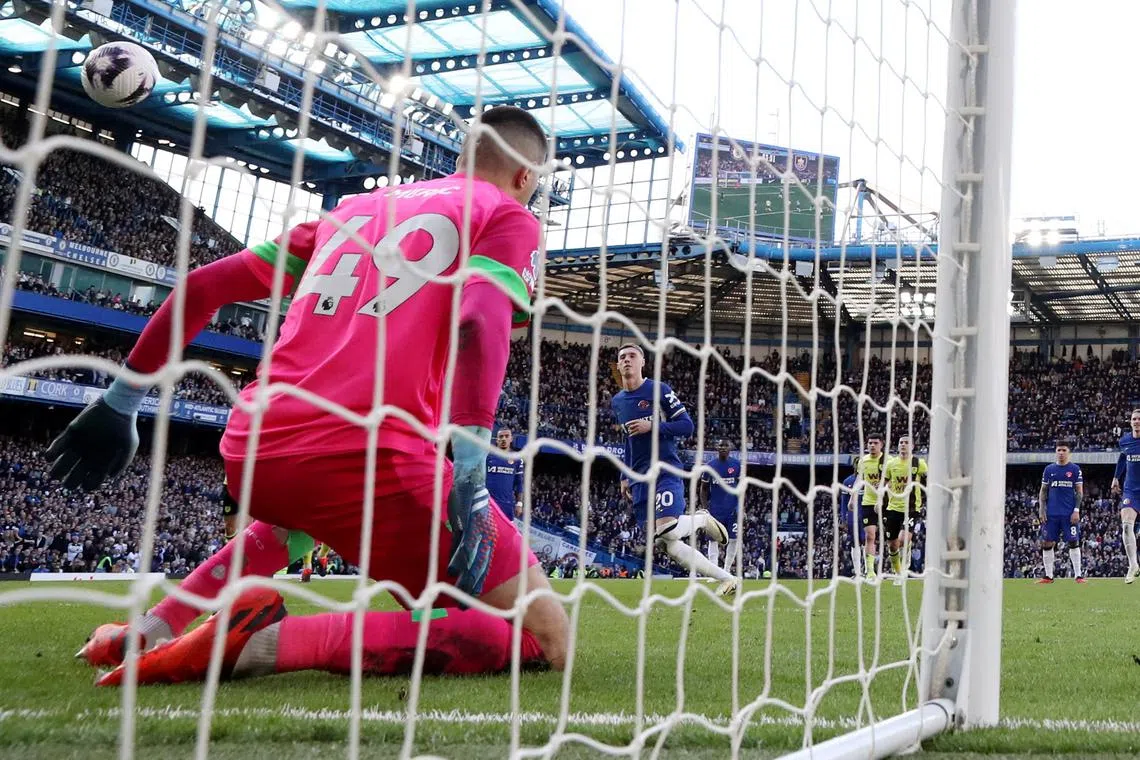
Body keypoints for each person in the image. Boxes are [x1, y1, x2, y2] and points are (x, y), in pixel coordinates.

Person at [48, 105, 570, 686]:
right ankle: (263, 643)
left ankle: (153, 628)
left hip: (255, 450)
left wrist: (122, 403)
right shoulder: (506, 214)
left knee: (304, 518)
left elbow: (202, 285)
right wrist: (471, 471)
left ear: (460, 158)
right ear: (527, 177)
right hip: (372, 454)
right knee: (541, 637)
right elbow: (480, 316)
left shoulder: (352, 209)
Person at [610, 344, 737, 596]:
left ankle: (701, 519)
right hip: (639, 478)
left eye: (632, 356)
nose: (626, 360)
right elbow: (628, 438)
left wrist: (653, 427)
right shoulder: (618, 401)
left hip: (665, 470)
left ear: (642, 362)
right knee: (667, 543)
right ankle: (727, 578)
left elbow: (686, 426)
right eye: (622, 357)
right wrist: (625, 475)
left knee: (667, 528)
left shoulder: (659, 390)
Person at [1037, 440, 1084, 584]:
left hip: (1069, 514)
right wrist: (1041, 509)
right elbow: (1043, 491)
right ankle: (1048, 576)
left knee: (1073, 542)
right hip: (1051, 514)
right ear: (1055, 452)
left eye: (1064, 450)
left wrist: (1076, 510)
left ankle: (1078, 576)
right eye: (1059, 450)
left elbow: (1079, 492)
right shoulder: (1049, 469)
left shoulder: (1075, 469)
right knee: (1046, 543)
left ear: (1068, 452)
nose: (1061, 453)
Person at [882, 436, 927, 584]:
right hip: (893, 508)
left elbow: (927, 483)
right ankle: (897, 571)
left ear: (912, 446)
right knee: (893, 545)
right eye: (901, 442)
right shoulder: (891, 464)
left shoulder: (919, 464)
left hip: (912, 508)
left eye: (906, 442)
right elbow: (886, 483)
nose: (903, 445)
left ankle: (903, 572)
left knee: (904, 539)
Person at [698, 440, 743, 573]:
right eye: (721, 446)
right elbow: (704, 489)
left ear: (730, 448)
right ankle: (714, 572)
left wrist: (741, 507)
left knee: (734, 539)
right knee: (713, 540)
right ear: (717, 448)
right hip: (715, 511)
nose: (723, 448)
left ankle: (727, 570)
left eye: (726, 446)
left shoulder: (736, 465)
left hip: (732, 510)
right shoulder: (710, 467)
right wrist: (705, 508)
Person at [1111, 409, 1140, 583]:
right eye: (1134, 419)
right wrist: (1116, 477)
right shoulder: (1125, 441)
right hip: (1131, 491)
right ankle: (1133, 565)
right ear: (1130, 422)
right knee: (1126, 526)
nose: (1137, 421)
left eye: (1139, 419)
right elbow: (1122, 459)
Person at [853, 434, 886, 579]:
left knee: (894, 539)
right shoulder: (863, 461)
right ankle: (870, 571)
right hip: (868, 502)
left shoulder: (888, 461)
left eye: (875, 443)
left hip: (887, 503)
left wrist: (883, 486)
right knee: (870, 536)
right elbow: (859, 480)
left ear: (881, 445)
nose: (872, 445)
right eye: (870, 443)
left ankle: (898, 569)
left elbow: (893, 480)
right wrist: (852, 498)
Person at [485, 427, 524, 521]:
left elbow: (519, 483)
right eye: (501, 436)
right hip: (488, 503)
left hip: (507, 505)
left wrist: (519, 503)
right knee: (486, 533)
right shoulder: (487, 456)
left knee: (506, 534)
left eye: (507, 436)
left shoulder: (517, 459)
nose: (503, 439)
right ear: (497, 439)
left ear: (511, 439)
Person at [837, 470, 863, 577]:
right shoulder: (847, 481)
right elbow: (843, 502)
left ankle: (867, 571)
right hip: (853, 516)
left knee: (867, 541)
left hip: (866, 514)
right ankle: (858, 572)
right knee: (854, 543)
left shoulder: (869, 480)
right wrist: (843, 519)